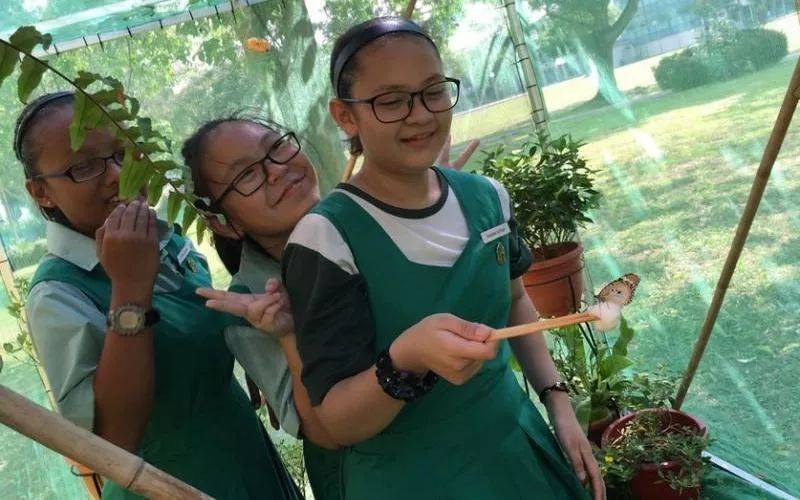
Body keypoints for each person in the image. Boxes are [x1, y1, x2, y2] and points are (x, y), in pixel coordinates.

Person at [281, 17, 604, 499]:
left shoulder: (488, 198)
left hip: (514, 452)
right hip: (411, 479)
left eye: (433, 91)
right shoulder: (327, 238)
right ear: (346, 116)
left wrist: (557, 403)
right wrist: (405, 359)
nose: (420, 115)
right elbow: (336, 421)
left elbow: (516, 301)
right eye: (391, 101)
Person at [17, 91, 300, 499]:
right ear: (41, 191)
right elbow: (113, 444)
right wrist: (130, 290)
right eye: (84, 167)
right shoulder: (58, 292)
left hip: (243, 457)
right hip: (166, 488)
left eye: (123, 153)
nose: (118, 174)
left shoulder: (166, 239)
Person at [185, 113, 479, 500]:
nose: (276, 170)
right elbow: (323, 433)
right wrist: (288, 334)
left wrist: (429, 216)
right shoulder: (250, 308)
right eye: (246, 175)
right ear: (224, 223)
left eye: (276, 147)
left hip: (460, 436)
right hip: (370, 477)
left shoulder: (367, 218)